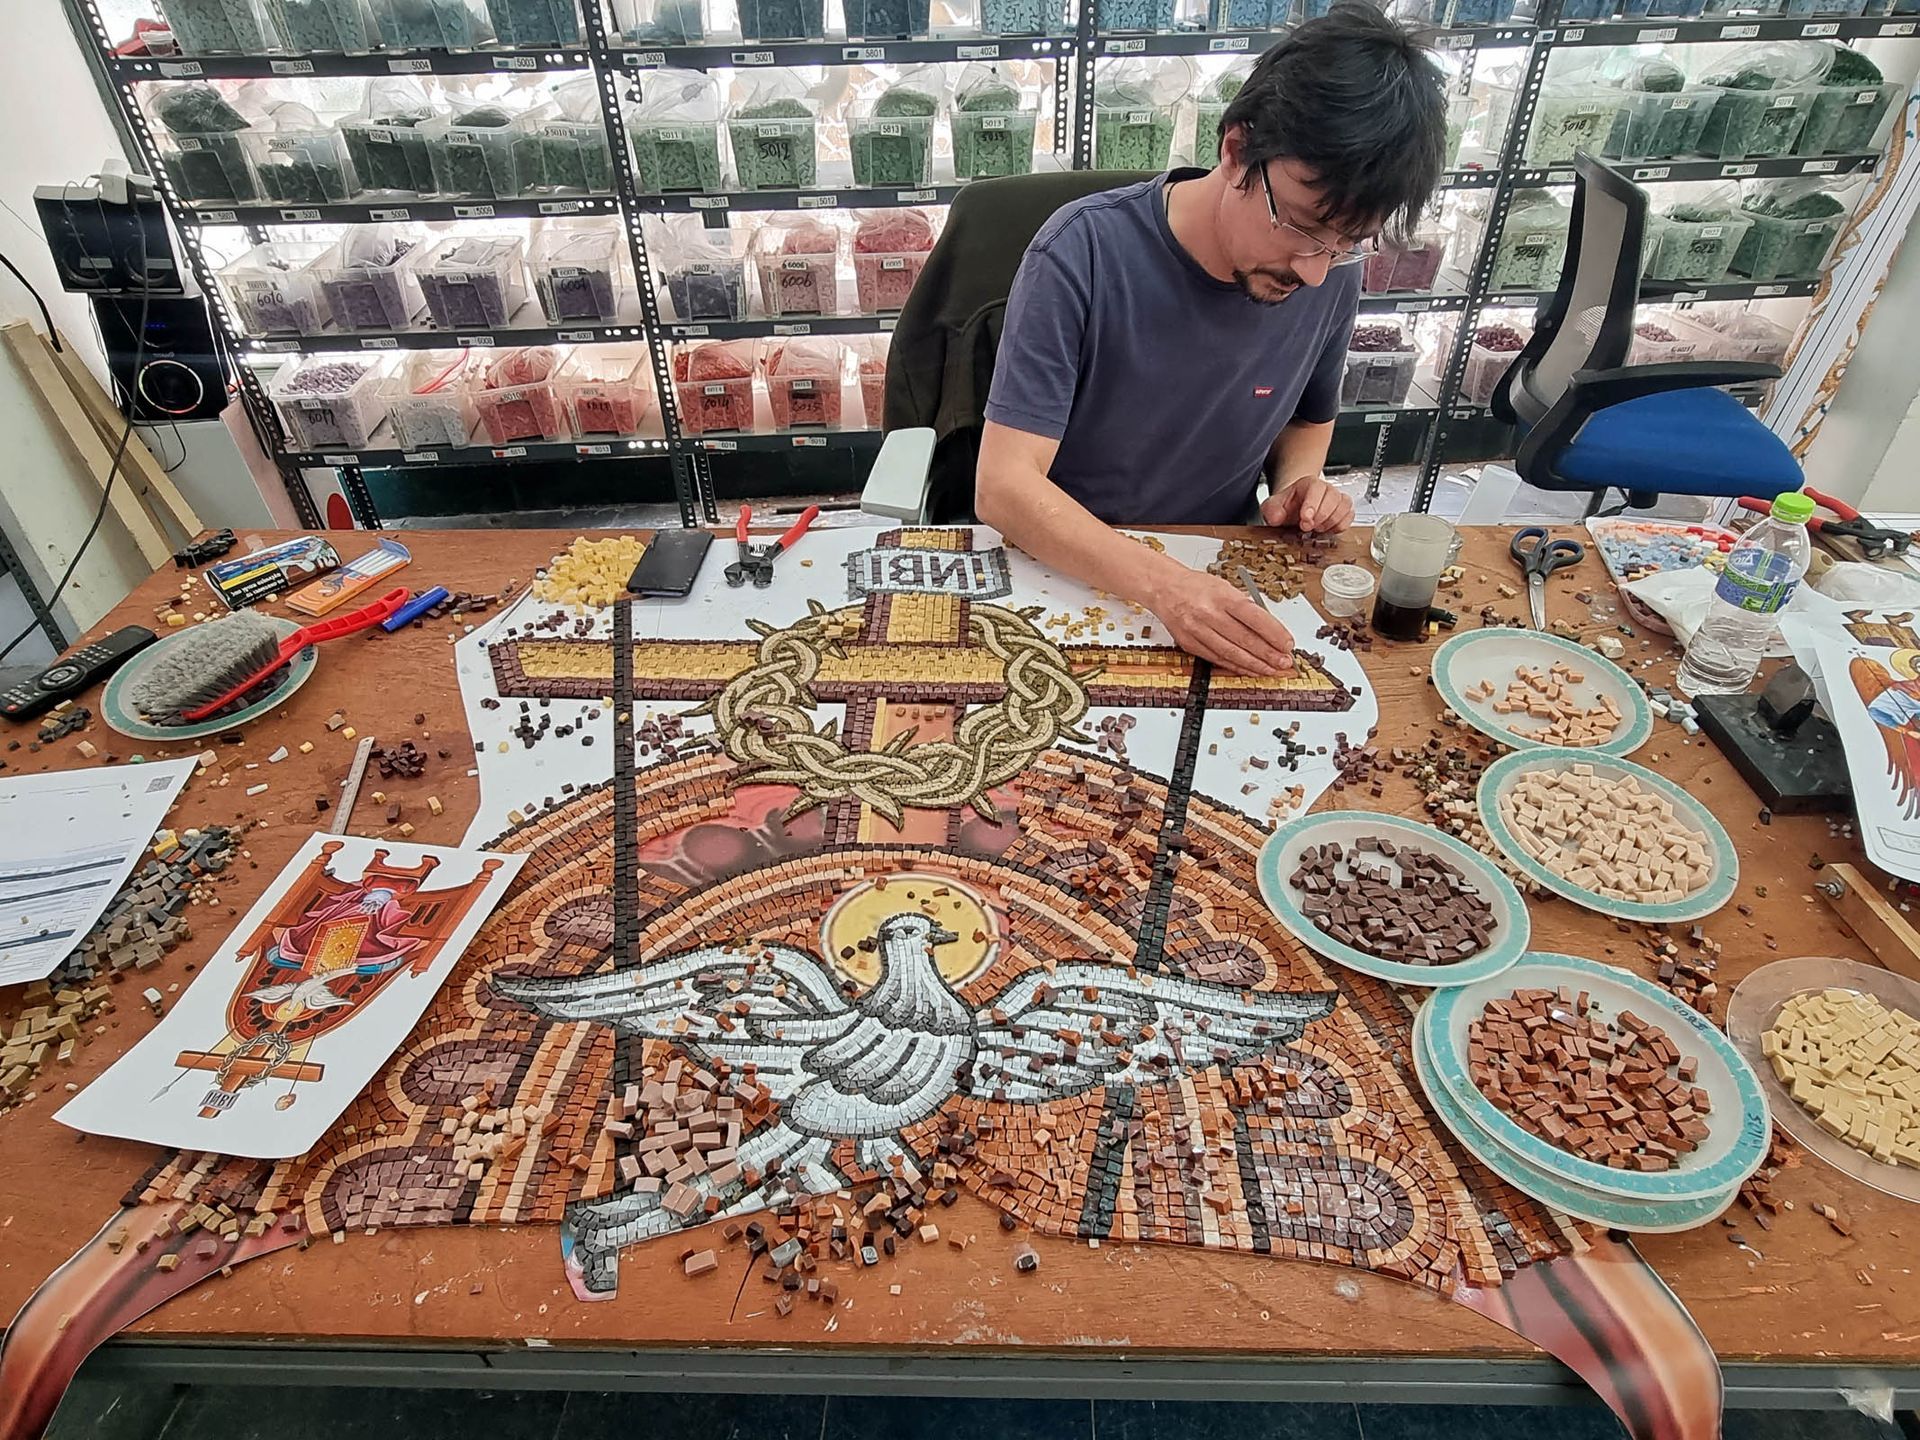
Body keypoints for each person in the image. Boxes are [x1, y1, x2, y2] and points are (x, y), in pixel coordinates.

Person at [974, 3, 1449, 675]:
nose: (1316, 269)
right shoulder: (1081, 251)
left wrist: (1299, 484)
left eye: (1349, 241)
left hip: (1218, 567)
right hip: (1071, 565)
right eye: (1305, 225)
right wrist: (1166, 587)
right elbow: (1002, 487)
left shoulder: (1332, 271)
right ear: (1235, 150)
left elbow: (1309, 418)